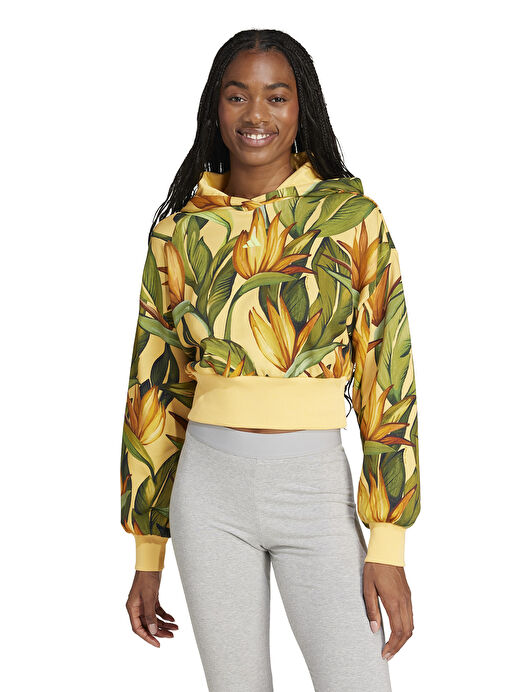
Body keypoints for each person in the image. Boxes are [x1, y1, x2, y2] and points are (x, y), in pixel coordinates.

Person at [121, 28, 420, 692]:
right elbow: (154, 389)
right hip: (208, 494)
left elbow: (388, 378)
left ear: (300, 106)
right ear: (216, 107)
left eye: (276, 97)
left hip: (314, 489)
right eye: (237, 96)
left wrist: (388, 543)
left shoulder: (351, 220)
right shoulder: (181, 231)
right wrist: (148, 552)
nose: (255, 114)